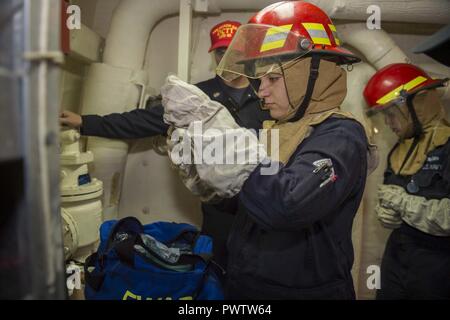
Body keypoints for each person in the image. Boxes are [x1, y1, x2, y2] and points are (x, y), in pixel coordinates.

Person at [60, 20, 271, 277]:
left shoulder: (267, 93)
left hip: (264, 199)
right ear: (214, 55)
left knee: (261, 269)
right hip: (220, 207)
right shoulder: (196, 96)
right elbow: (141, 121)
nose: (228, 58)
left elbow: (285, 136)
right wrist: (85, 122)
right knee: (218, 271)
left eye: (234, 51)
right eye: (221, 52)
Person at [210, 1, 375, 299]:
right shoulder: (279, 128)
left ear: (314, 72)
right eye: (259, 81)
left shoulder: (341, 135)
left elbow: (288, 203)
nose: (261, 91)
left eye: (272, 78)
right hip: (247, 284)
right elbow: (251, 203)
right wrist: (211, 181)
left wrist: (231, 155)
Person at [363, 63, 450, 299]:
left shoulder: (447, 147)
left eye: (392, 113)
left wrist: (405, 204)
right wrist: (388, 212)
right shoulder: (400, 151)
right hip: (398, 256)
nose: (389, 123)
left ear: (418, 104)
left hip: (438, 265)